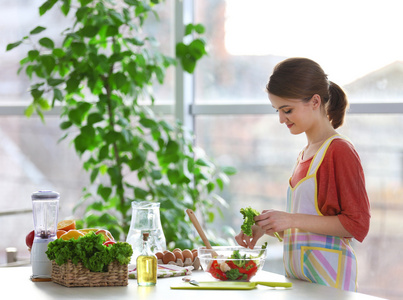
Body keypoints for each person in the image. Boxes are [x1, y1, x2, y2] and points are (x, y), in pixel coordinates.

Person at [235, 57, 370, 292]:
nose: (281, 119)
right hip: (301, 282)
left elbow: (357, 224)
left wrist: (291, 219)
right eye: (277, 110)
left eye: (287, 110)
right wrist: (269, 226)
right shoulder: (305, 153)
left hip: (330, 286)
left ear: (315, 101)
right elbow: (311, 222)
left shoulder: (339, 150)